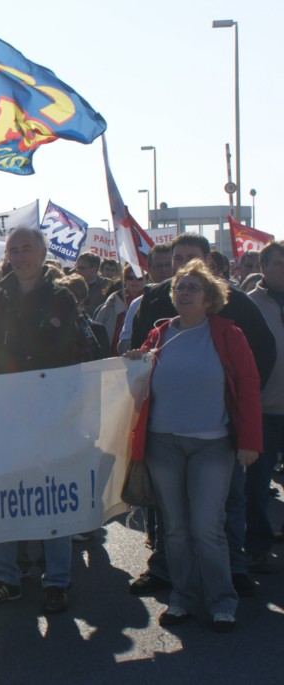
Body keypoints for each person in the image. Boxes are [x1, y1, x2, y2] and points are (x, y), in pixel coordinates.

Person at [129, 233, 275, 597]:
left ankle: (228, 584)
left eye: (192, 284)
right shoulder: (159, 325)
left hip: (215, 442)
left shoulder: (232, 323)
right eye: (179, 281)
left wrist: (246, 437)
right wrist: (132, 363)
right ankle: (179, 590)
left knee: (214, 521)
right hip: (165, 443)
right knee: (174, 524)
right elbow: (139, 369)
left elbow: (251, 377)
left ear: (209, 292)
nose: (183, 287)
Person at [0, 227, 78, 614]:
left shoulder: (62, 298)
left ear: (43, 252)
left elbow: (66, 349)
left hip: (49, 419)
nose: (19, 257)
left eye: (26, 249)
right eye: (13, 250)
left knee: (51, 498)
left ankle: (57, 580)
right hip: (5, 421)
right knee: (0, 498)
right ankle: (6, 578)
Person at [243, 241, 284, 572]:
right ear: (264, 267)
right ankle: (257, 544)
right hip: (263, 411)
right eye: (279, 263)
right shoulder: (249, 305)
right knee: (257, 485)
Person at [94, 265, 147, 355]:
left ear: (146, 280)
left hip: (140, 356)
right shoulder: (112, 302)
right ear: (124, 280)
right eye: (130, 278)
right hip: (113, 356)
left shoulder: (151, 301)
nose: (134, 281)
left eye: (139, 278)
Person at [73, 252, 109, 316]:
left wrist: (81, 308)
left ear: (94, 269)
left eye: (82, 268)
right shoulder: (71, 283)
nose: (78, 271)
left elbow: (105, 310)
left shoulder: (107, 285)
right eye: (77, 267)